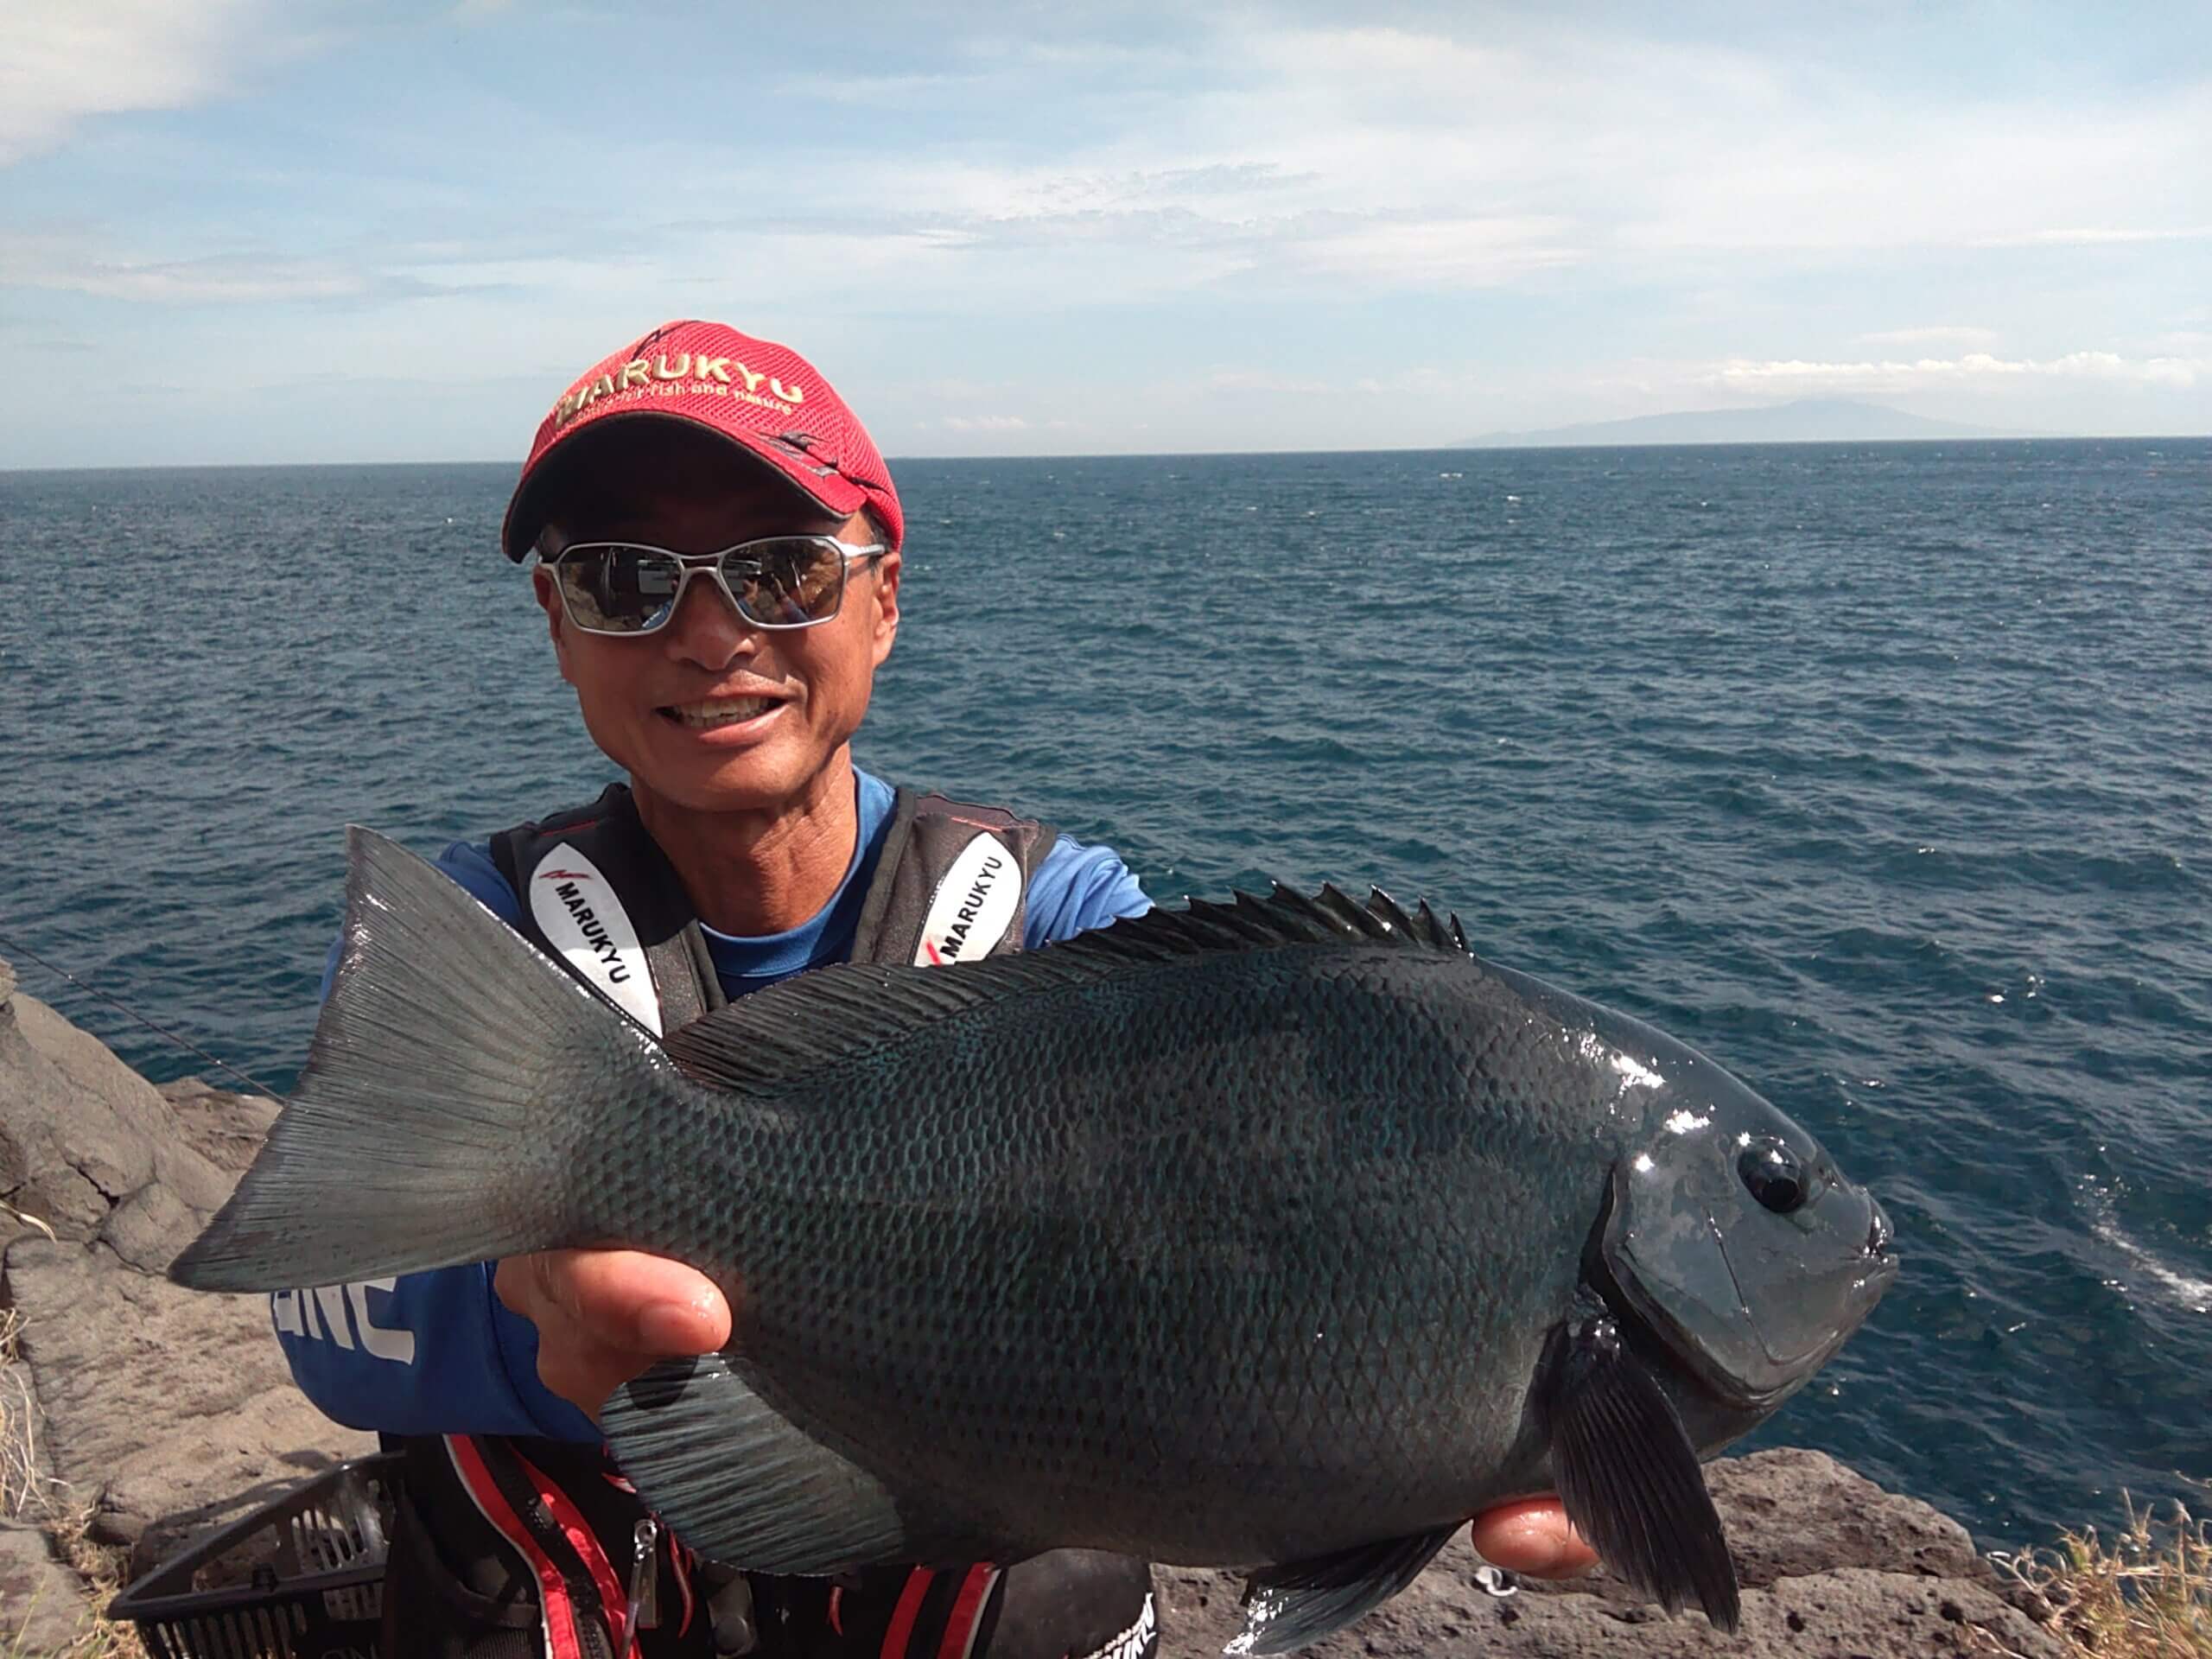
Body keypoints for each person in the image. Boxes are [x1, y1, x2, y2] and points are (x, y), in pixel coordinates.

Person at [273, 319, 1597, 1658]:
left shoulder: (1062, 920)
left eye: (783, 571)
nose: (712, 633)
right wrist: (555, 1325)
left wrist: (1435, 1383)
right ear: (559, 628)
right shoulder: (484, 935)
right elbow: (329, 1320)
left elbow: (1237, 1211)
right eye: (626, 582)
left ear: (883, 603)